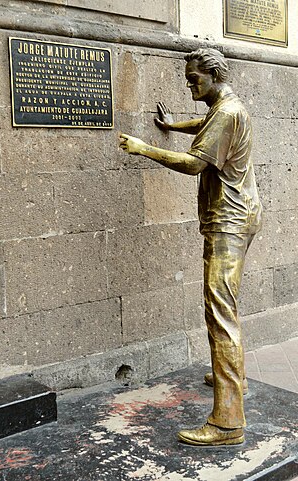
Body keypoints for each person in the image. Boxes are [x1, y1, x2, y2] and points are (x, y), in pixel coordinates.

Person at [119, 48, 262, 446]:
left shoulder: (228, 112)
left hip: (229, 221)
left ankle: (228, 422)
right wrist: (172, 124)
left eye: (194, 78)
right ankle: (235, 378)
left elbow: (194, 164)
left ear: (214, 75)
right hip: (242, 215)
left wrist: (142, 147)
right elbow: (203, 123)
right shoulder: (226, 107)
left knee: (220, 314)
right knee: (226, 307)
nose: (189, 83)